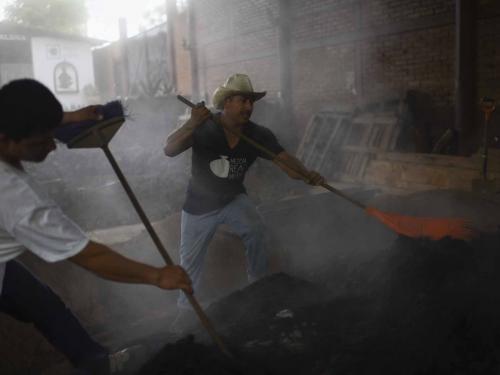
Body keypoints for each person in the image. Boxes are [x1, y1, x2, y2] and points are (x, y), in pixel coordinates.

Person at [0, 79, 193, 374]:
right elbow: (89, 256)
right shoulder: (16, 195)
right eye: (41, 141)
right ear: (5, 139)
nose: (54, 145)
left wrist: (71, 116)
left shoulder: (7, 121)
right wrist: (156, 275)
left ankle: (96, 363)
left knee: (43, 303)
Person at [164, 73, 325, 315]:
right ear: (227, 102)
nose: (249, 107)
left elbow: (284, 162)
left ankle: (257, 288)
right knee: (190, 261)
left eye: (251, 102)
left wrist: (306, 174)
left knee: (256, 231)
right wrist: (192, 122)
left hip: (233, 199)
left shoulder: (258, 135)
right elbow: (169, 149)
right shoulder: (205, 128)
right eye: (243, 101)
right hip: (199, 205)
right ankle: (186, 312)